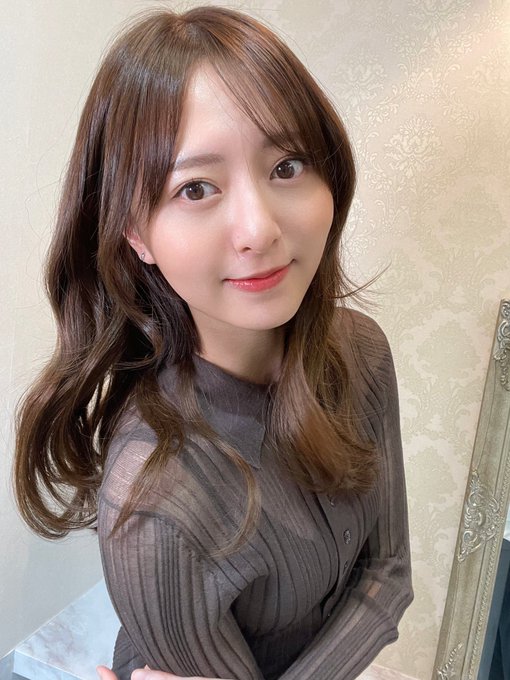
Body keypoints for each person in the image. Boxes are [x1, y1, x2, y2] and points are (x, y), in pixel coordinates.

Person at [13, 6, 413, 680]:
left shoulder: (363, 352)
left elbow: (389, 575)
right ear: (135, 233)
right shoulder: (156, 507)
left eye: (286, 165)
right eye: (195, 188)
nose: (258, 230)